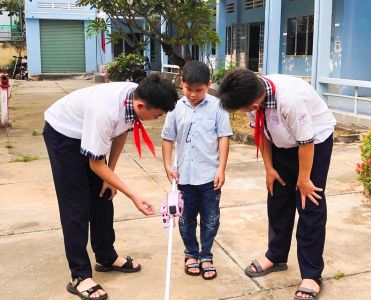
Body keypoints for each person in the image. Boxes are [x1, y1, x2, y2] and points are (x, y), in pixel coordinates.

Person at [43, 74, 178, 300]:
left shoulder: (135, 95)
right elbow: (95, 163)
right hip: (64, 135)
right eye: (157, 115)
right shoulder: (105, 112)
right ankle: (79, 275)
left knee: (104, 194)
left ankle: (105, 256)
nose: (158, 119)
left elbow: (121, 132)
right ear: (142, 105)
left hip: (88, 131)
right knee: (76, 206)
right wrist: (133, 195)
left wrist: (110, 174)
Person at [218, 68, 336, 299]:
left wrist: (304, 179)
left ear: (252, 104)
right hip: (282, 145)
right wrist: (269, 168)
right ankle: (276, 255)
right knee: (277, 197)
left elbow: (306, 141)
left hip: (314, 144)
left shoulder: (290, 100)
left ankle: (311, 275)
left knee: (308, 202)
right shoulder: (253, 96)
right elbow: (261, 132)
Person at [161, 61, 233, 280]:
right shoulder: (175, 108)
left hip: (209, 176)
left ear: (209, 85)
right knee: (185, 219)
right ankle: (191, 254)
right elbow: (167, 138)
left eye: (199, 90)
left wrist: (221, 169)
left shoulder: (218, 107)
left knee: (211, 218)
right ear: (181, 83)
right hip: (184, 177)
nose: (193, 94)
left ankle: (206, 255)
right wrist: (167, 165)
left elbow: (223, 138)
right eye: (188, 89)